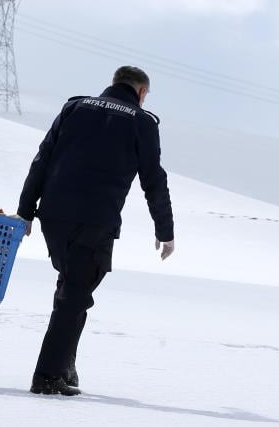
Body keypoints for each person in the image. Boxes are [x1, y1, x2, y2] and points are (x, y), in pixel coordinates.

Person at [16, 66, 175, 396]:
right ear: (142, 92)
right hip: (95, 220)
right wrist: (165, 229)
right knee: (73, 296)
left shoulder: (75, 107)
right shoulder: (142, 123)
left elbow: (42, 160)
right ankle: (47, 377)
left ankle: (64, 366)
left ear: (114, 82)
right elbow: (154, 180)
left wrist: (26, 210)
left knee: (72, 291)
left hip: (54, 216)